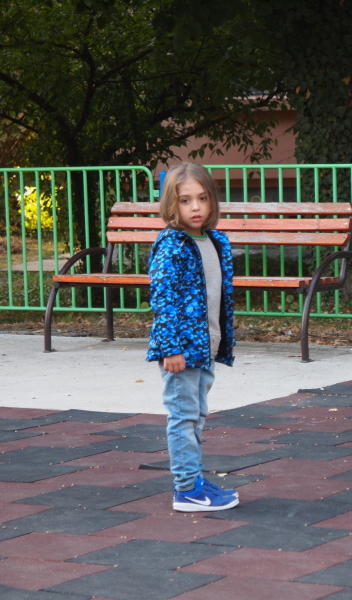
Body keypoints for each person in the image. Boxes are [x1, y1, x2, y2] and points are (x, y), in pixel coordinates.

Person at [147, 162, 239, 512]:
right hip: (181, 352)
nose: (195, 207)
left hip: (204, 348)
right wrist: (170, 348)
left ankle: (193, 479)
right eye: (185, 201)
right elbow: (163, 298)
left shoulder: (213, 240)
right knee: (183, 417)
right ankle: (186, 490)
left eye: (202, 198)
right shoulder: (172, 245)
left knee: (196, 415)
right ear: (171, 204)